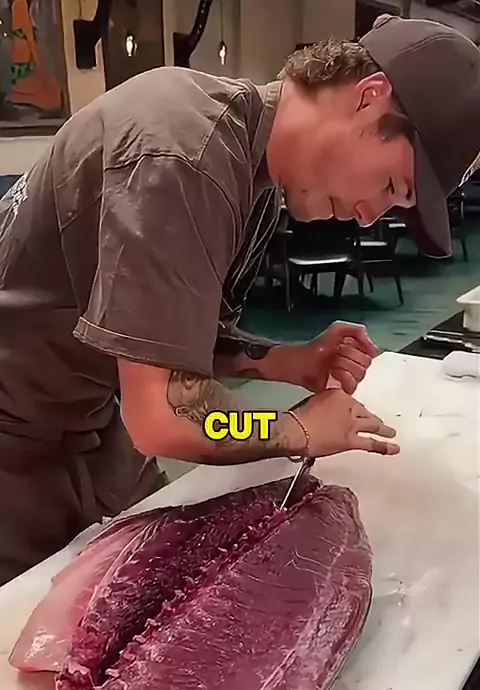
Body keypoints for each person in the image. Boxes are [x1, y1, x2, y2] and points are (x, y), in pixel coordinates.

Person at [1, 15, 479, 583]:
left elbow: (165, 334)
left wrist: (284, 361)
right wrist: (295, 429)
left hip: (92, 422)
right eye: (392, 187)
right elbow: (163, 418)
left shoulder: (252, 172)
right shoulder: (182, 155)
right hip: (17, 439)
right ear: (369, 97)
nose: (370, 216)